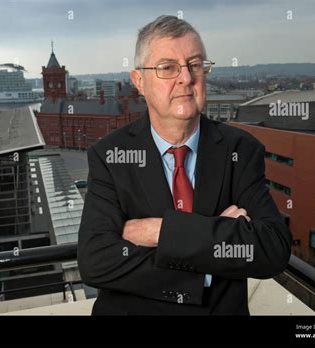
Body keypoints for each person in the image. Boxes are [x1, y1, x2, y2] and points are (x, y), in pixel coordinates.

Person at [78, 15, 292, 315]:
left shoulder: (240, 150)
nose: (186, 78)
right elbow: (95, 261)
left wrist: (161, 232)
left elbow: (272, 249)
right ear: (139, 81)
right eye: (168, 68)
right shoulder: (110, 155)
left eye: (195, 64)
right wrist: (212, 250)